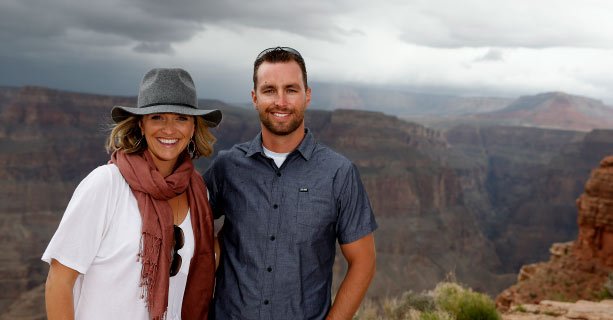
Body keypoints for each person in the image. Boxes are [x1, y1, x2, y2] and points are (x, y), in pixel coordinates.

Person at [204, 47, 377, 320]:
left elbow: (363, 261)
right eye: (269, 90)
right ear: (254, 98)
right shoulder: (227, 167)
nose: (280, 101)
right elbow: (186, 225)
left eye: (291, 89)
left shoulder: (339, 173)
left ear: (307, 95)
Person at [42, 68, 222, 320]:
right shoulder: (106, 185)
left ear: (193, 127)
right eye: (157, 117)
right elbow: (59, 281)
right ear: (141, 124)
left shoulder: (197, 190)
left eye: (181, 118)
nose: (169, 129)